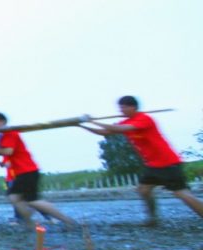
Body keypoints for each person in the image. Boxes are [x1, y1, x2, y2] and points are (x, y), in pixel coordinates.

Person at [80, 96, 203, 225]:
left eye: (123, 107)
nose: (121, 110)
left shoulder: (144, 119)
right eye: (120, 108)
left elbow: (120, 129)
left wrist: (92, 121)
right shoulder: (126, 121)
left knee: (181, 194)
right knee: (143, 190)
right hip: (153, 165)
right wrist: (82, 125)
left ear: (133, 107)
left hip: (167, 162)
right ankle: (153, 218)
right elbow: (104, 132)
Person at [0, 113, 78, 229]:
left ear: (2, 122)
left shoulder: (10, 132)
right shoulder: (3, 135)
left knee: (32, 200)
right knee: (14, 197)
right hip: (22, 172)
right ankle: (30, 223)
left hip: (27, 170)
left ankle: (67, 220)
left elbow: (8, 151)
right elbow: (4, 155)